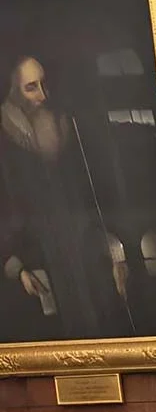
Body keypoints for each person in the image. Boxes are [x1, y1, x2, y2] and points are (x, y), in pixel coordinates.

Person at [0, 54, 130, 342]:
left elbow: (96, 194)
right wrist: (15, 264)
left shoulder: (66, 126)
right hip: (35, 257)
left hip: (86, 250)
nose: (42, 95)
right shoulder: (5, 143)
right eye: (31, 87)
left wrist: (116, 251)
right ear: (13, 91)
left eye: (44, 84)